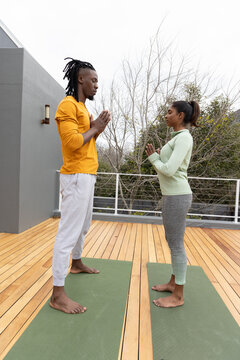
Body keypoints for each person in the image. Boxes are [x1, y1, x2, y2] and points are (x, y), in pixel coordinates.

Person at [50, 58, 111, 314]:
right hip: (75, 176)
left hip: (87, 175)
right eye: (93, 80)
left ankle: (76, 263)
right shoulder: (67, 105)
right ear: (80, 80)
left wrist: (97, 128)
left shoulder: (83, 109)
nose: (97, 85)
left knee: (83, 226)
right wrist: (95, 127)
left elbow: (86, 139)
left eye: (97, 81)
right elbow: (73, 142)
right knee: (67, 232)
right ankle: (57, 294)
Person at [145, 100, 200, 308]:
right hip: (172, 196)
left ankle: (178, 295)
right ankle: (173, 282)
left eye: (170, 112)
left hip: (177, 196)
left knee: (176, 244)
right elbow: (169, 166)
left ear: (181, 116)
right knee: (172, 241)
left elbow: (168, 170)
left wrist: (153, 158)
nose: (166, 115)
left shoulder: (184, 138)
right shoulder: (176, 138)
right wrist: (159, 156)